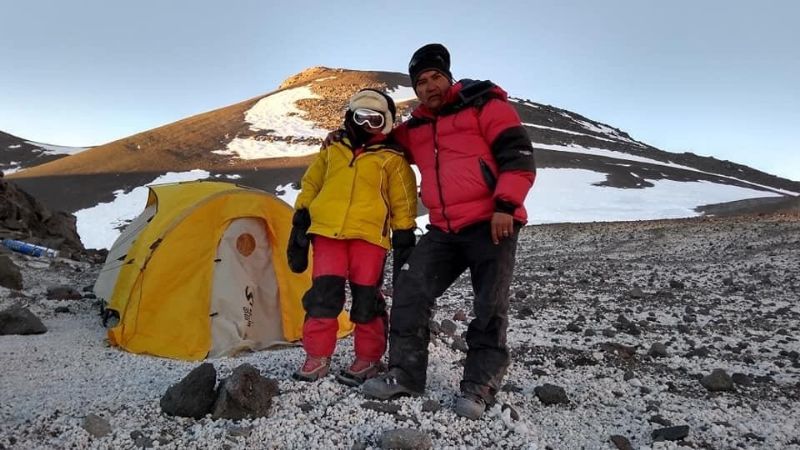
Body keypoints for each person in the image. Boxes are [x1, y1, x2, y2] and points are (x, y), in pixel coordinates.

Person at [360, 43, 537, 420]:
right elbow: (381, 139)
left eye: (435, 76)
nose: (429, 86)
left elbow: (518, 154)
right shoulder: (417, 127)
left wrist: (505, 205)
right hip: (443, 227)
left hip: (492, 222)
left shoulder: (485, 105)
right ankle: (405, 373)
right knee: (410, 288)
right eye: (421, 81)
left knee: (489, 305)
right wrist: (345, 135)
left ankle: (478, 386)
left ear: (449, 76)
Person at [287, 89, 418, 386]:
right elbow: (312, 183)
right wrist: (301, 218)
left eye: (375, 120)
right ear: (350, 117)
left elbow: (404, 199)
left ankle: (368, 358)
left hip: (369, 238)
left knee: (366, 299)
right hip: (327, 233)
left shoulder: (392, 158)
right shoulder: (333, 149)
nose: (366, 125)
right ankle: (317, 355)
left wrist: (404, 235)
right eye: (361, 117)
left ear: (386, 122)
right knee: (322, 296)